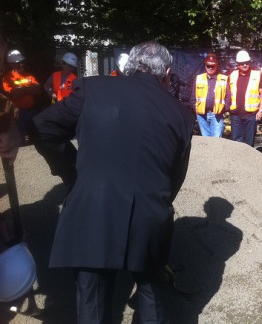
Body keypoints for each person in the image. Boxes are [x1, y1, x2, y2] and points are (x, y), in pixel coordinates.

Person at [31, 41, 195, 323]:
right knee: (152, 294)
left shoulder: (93, 89)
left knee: (92, 299)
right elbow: (174, 177)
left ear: (129, 65)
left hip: (93, 209)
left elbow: (42, 126)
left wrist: (71, 171)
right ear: (167, 73)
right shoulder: (181, 114)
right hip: (150, 214)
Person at [2, 49, 43, 143]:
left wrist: (22, 89)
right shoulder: (7, 78)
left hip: (31, 111)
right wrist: (29, 89)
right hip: (18, 114)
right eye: (17, 63)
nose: (21, 64)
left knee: (36, 138)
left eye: (21, 62)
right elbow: (15, 94)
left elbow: (38, 90)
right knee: (20, 139)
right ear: (11, 64)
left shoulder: (29, 75)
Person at [229, 50, 262, 146]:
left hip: (251, 116)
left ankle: (248, 161)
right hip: (235, 115)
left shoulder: (257, 75)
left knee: (249, 143)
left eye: (246, 63)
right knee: (236, 143)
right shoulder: (232, 75)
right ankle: (237, 161)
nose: (245, 65)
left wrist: (261, 110)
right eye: (242, 63)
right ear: (238, 64)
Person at [191, 53, 230, 137]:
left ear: (217, 66)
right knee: (206, 141)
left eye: (213, 66)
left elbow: (228, 96)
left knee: (216, 141)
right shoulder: (199, 78)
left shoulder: (223, 79)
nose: (210, 68)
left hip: (216, 115)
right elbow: (193, 97)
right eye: (208, 66)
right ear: (205, 66)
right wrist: (196, 109)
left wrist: (224, 109)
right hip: (202, 115)